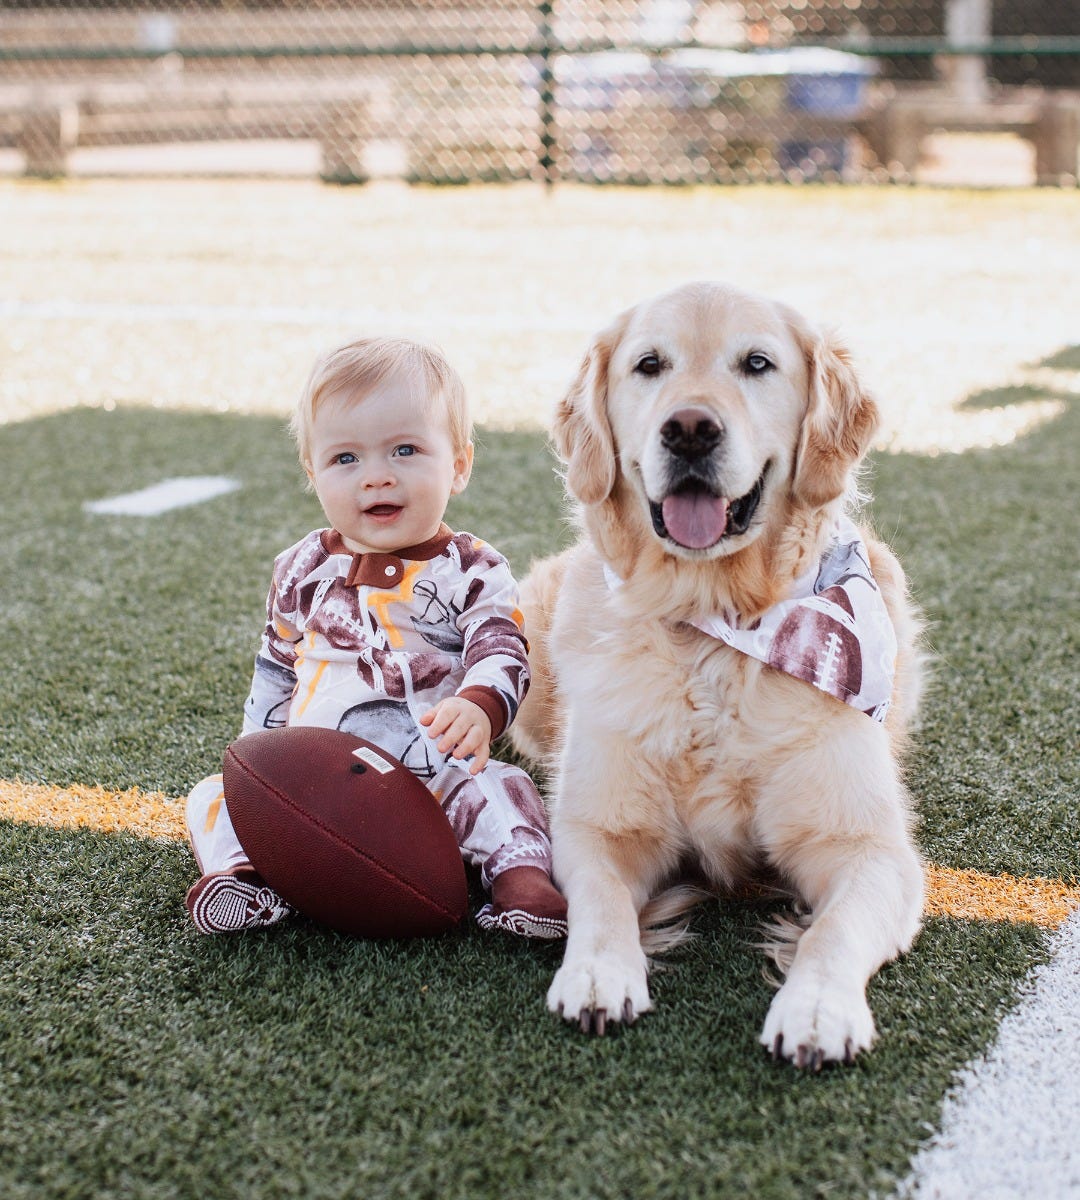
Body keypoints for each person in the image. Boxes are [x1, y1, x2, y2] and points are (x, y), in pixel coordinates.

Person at [184, 336, 567, 940]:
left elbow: (503, 647)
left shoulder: (473, 568)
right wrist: (263, 753)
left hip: (432, 763)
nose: (377, 477)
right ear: (313, 474)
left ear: (459, 465)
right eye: (346, 460)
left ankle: (520, 879)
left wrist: (478, 706)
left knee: (501, 786)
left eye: (406, 450)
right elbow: (277, 665)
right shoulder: (301, 567)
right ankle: (246, 875)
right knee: (215, 796)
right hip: (318, 776)